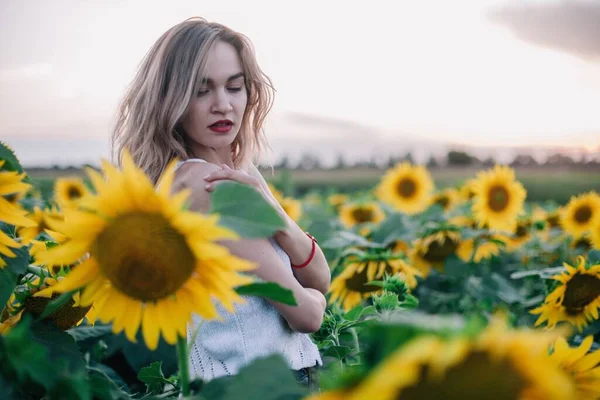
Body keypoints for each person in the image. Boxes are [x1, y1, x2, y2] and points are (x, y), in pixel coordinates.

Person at [110, 17, 330, 391]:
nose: (223, 105)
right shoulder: (206, 186)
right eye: (201, 90)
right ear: (171, 99)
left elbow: (320, 279)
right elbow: (306, 313)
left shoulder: (238, 173)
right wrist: (315, 298)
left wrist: (278, 218)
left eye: (234, 87)